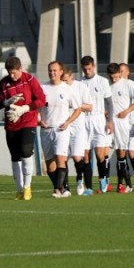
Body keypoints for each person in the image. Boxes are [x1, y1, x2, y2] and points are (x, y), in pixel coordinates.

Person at [0, 56, 46, 200]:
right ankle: (19, 189)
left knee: (26, 151)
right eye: (9, 73)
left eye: (14, 72)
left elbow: (41, 99)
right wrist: (7, 102)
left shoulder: (30, 80)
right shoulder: (4, 83)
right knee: (15, 156)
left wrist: (25, 108)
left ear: (20, 69)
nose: (11, 75)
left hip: (28, 121)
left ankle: (27, 187)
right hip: (11, 124)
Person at [39, 61, 82, 198]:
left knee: (60, 159)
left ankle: (58, 190)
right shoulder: (42, 88)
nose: (52, 73)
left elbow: (78, 108)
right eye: (50, 70)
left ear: (61, 72)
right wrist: (39, 120)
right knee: (50, 165)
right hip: (46, 130)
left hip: (61, 130)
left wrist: (68, 122)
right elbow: (34, 107)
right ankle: (62, 188)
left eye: (55, 70)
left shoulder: (67, 89)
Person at [107, 63, 134, 193]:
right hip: (112, 124)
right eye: (111, 77)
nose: (114, 80)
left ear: (120, 73)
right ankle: (121, 184)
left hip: (128, 124)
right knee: (117, 154)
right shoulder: (107, 86)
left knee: (129, 153)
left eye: (116, 77)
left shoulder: (129, 85)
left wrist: (127, 111)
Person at [79, 56, 114, 193]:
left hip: (99, 120)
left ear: (93, 66)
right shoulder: (79, 82)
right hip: (83, 121)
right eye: (84, 69)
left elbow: (109, 103)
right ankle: (89, 188)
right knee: (85, 155)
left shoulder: (102, 81)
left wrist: (110, 121)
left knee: (100, 155)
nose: (87, 71)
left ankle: (102, 179)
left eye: (89, 68)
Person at [61, 65, 94, 196]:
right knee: (62, 157)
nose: (64, 83)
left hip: (78, 124)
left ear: (71, 77)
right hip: (63, 124)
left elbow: (90, 106)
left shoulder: (81, 87)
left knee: (77, 156)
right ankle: (66, 187)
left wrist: (77, 106)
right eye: (62, 80)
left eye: (66, 80)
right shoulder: (59, 88)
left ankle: (80, 178)